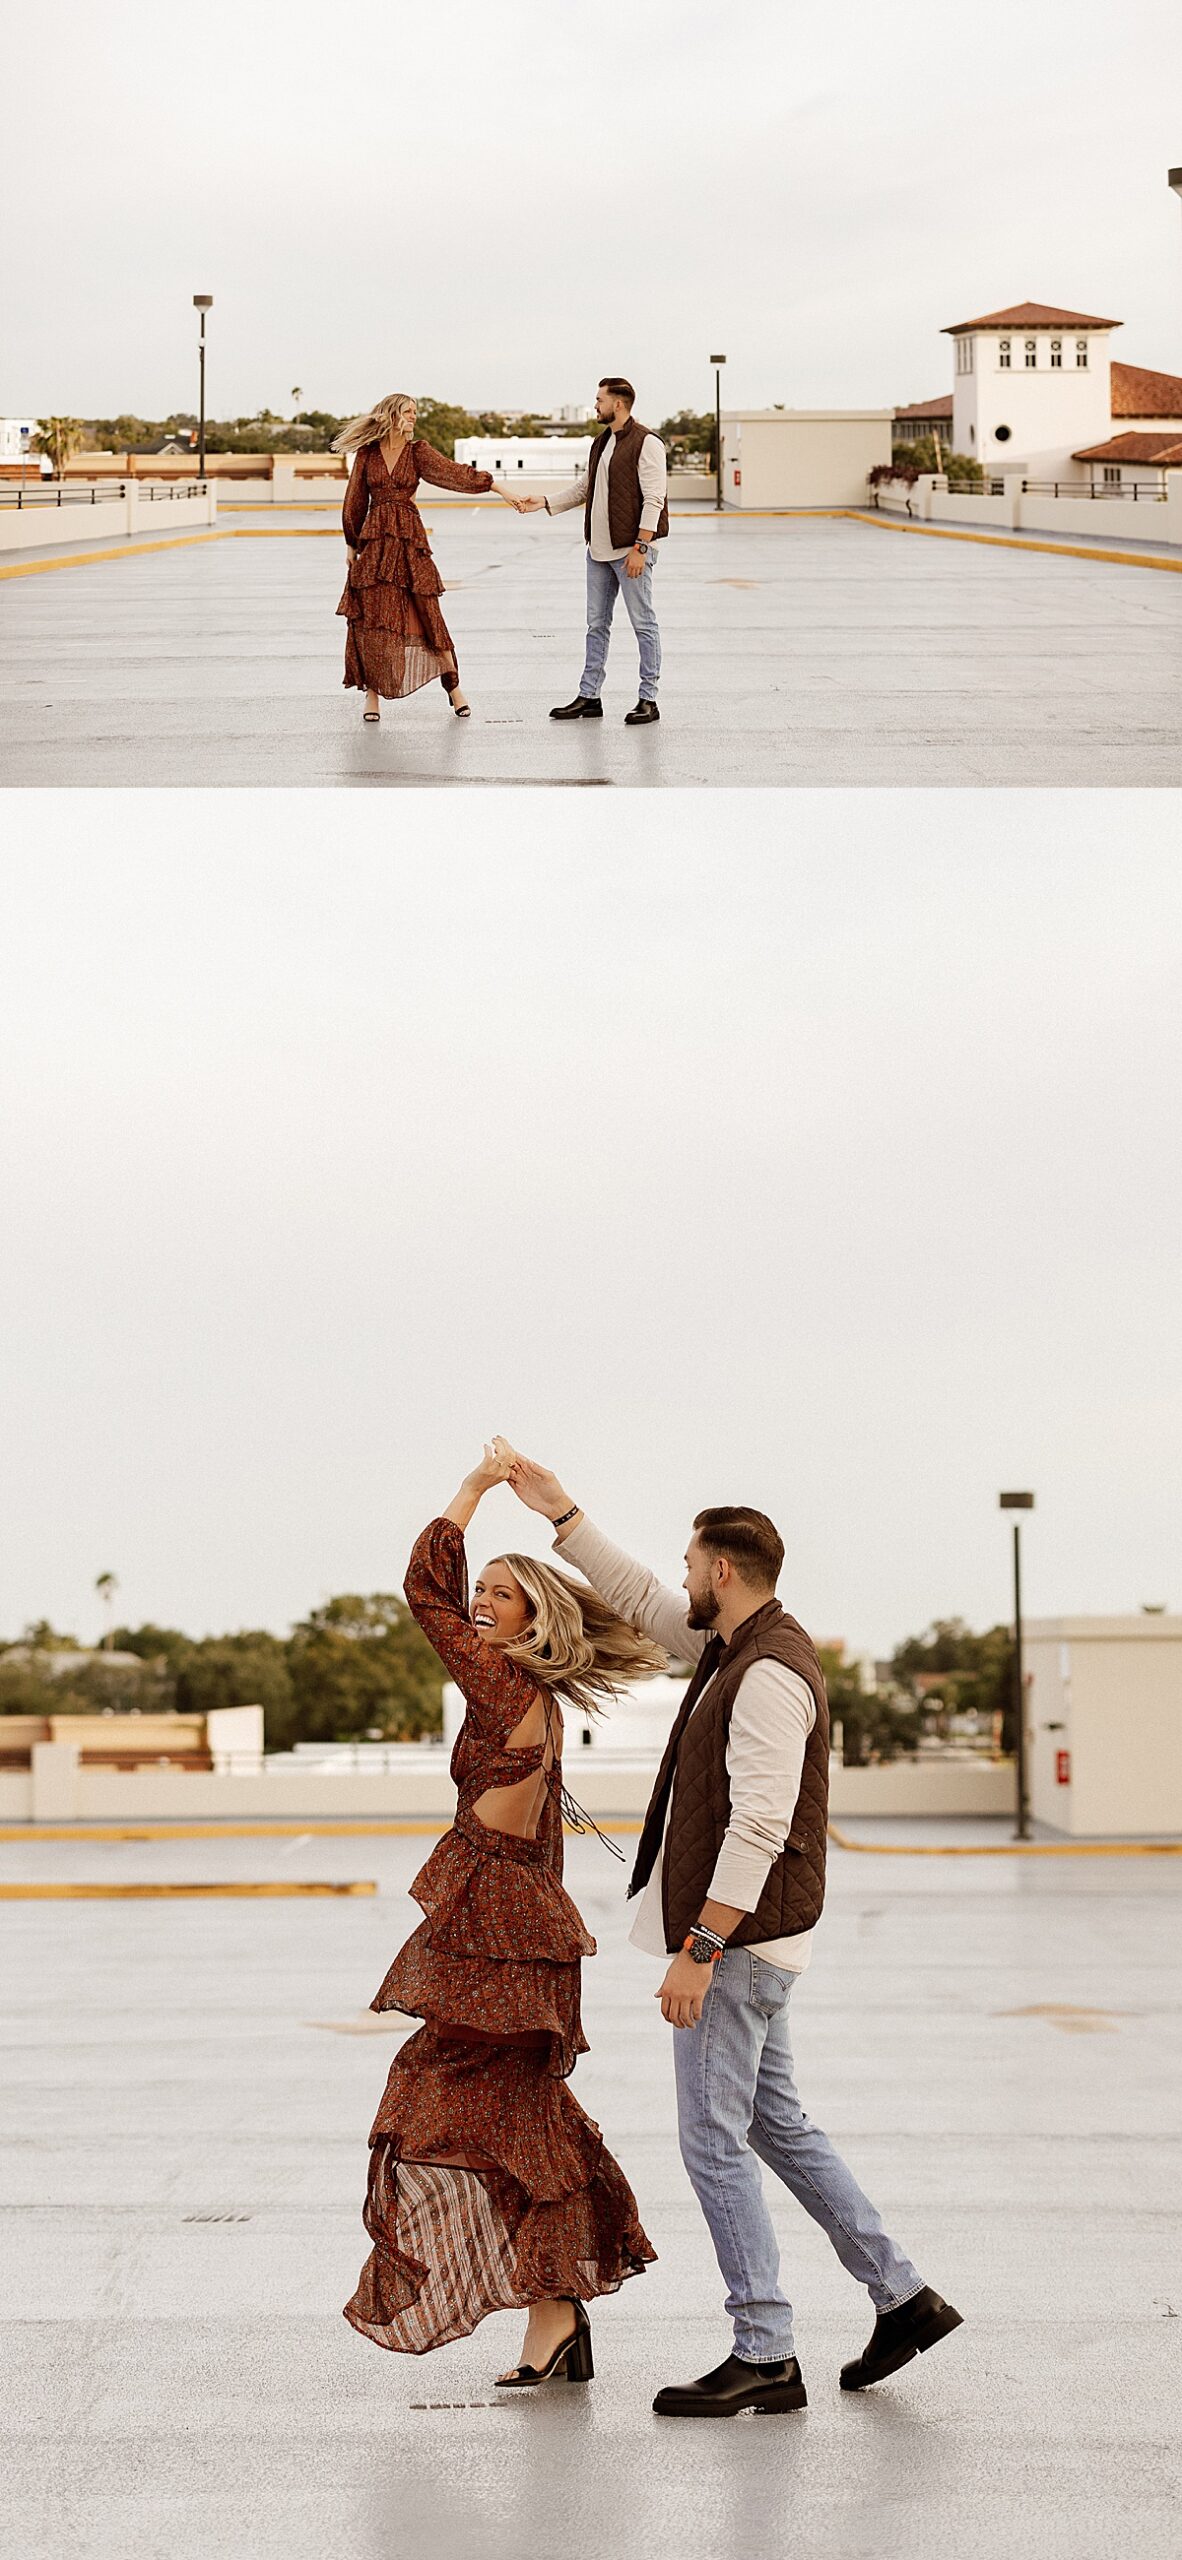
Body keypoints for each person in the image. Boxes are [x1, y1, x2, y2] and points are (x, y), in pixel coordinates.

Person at [507, 1455, 964, 2419]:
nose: (678, 1579)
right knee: (775, 2125)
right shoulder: (735, 1643)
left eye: (689, 1564)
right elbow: (633, 1597)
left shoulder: (768, 1675)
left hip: (740, 1948)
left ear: (722, 1571)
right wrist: (562, 1511)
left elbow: (759, 1824)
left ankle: (764, 2349)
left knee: (713, 2141)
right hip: (755, 1944)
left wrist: (699, 1952)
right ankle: (904, 2297)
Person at [344, 1440, 659, 2388]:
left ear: (533, 1620)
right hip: (511, 1923)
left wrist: (478, 1488)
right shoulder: (537, 1699)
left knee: (471, 2110)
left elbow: (419, 1589)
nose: (479, 1605)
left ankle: (558, 2319)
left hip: (499, 1931)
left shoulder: (503, 1684)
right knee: (519, 2119)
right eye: (481, 1591)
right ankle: (557, 2322)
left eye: (500, 1596)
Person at [333, 394, 529, 722]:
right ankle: (372, 695)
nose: (413, 417)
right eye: (408, 412)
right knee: (374, 620)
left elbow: (455, 474)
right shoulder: (366, 454)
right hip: (376, 545)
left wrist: (500, 490)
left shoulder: (417, 452)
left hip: (410, 543)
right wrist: (351, 544)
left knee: (429, 616)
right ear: (391, 415)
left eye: (414, 413)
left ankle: (454, 689)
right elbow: (354, 499)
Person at [521, 378, 667, 727]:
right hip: (598, 551)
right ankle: (589, 697)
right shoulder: (601, 443)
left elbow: (654, 499)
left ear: (618, 403)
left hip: (630, 551)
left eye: (599, 399)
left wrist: (640, 548)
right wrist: (544, 502)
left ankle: (649, 699)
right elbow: (586, 488)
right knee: (596, 625)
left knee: (643, 624)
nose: (595, 405)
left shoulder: (647, 443)